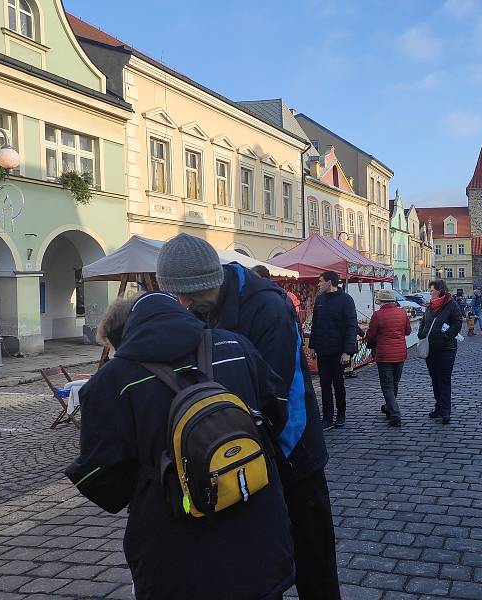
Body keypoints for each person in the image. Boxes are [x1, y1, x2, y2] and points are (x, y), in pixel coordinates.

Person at [66, 292, 294, 600]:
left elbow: (99, 476)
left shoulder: (112, 381)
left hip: (171, 544)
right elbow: (277, 409)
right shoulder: (235, 346)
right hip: (256, 527)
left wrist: (158, 478)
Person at [156, 234, 339, 600]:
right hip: (245, 445)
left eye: (187, 295)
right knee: (261, 558)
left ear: (206, 283)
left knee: (313, 559)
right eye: (178, 296)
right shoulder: (203, 306)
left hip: (292, 450)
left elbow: (278, 393)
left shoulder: (266, 307)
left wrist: (263, 457)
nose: (183, 304)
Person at [309, 270, 359, 430]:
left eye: (320, 281)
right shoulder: (320, 299)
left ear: (329, 282)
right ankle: (327, 417)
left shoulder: (346, 300)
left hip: (339, 352)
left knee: (338, 384)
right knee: (324, 385)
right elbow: (315, 324)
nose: (318, 284)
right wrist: (312, 346)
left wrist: (347, 351)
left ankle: (341, 414)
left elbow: (351, 326)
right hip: (323, 349)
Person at [418, 279, 463, 424]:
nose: (430, 293)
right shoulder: (430, 307)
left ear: (440, 290)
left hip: (446, 348)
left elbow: (457, 323)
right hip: (431, 349)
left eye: (432, 290)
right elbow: (423, 322)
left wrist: (447, 336)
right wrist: (421, 333)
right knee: (435, 379)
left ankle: (446, 411)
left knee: (444, 379)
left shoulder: (451, 304)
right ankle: (438, 406)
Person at [365, 289, 411, 427]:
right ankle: (390, 408)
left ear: (381, 302)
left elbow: (371, 335)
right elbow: (408, 331)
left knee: (387, 386)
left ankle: (395, 414)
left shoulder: (378, 315)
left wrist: (369, 344)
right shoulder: (402, 313)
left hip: (384, 355)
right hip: (400, 354)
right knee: (394, 384)